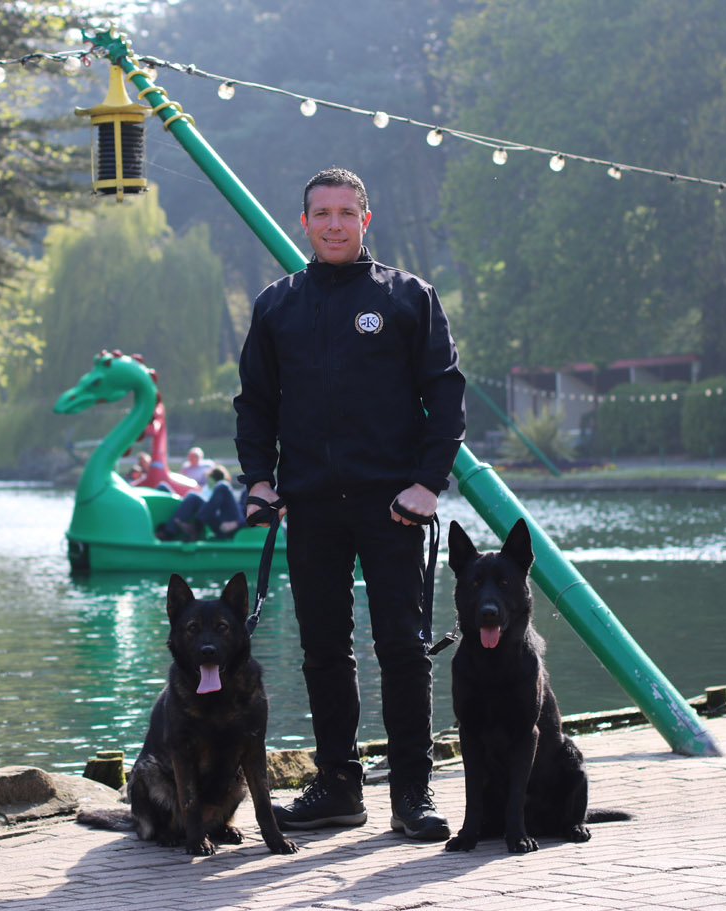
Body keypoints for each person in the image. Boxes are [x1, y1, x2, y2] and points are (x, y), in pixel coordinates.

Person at [234, 168, 466, 842]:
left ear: (367, 219)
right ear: (303, 222)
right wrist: (258, 480)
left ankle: (413, 794)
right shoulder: (277, 305)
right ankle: (338, 786)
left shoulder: (407, 298)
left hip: (392, 503)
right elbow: (256, 403)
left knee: (403, 646)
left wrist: (427, 482)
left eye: (345, 211)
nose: (333, 223)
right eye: (321, 213)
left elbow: (445, 395)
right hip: (309, 503)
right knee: (323, 650)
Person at [155, 466, 247, 541]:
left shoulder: (257, 488)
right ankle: (168, 533)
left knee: (223, 485)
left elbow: (258, 516)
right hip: (225, 520)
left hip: (234, 526)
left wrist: (237, 523)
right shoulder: (250, 485)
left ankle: (196, 527)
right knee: (193, 496)